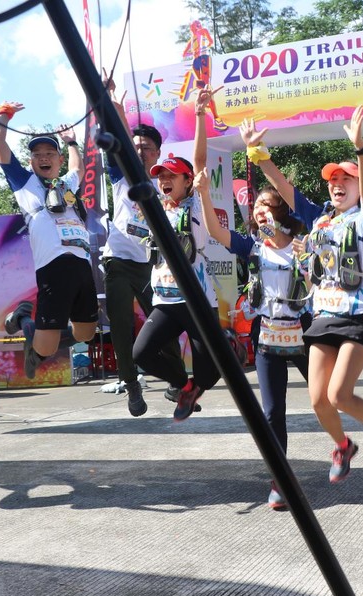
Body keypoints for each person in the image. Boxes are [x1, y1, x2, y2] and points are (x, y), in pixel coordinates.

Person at [241, 108, 363, 482]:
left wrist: (361, 148)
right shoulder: (318, 219)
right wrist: (258, 154)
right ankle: (343, 445)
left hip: (357, 314)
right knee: (318, 400)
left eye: (345, 178)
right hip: (319, 318)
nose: (337, 183)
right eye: (333, 179)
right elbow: (283, 190)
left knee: (339, 395)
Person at [200, 178, 309, 509]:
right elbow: (216, 232)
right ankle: (280, 480)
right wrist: (203, 193)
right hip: (267, 334)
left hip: (304, 331)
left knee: (329, 397)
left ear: (283, 211)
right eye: (257, 206)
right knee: (272, 412)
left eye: (267, 204)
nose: (260, 210)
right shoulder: (253, 246)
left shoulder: (304, 245)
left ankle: (347, 444)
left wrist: (311, 258)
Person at [131, 86, 220, 422]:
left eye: (172, 176)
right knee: (141, 353)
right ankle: (185, 387)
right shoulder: (155, 207)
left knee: (211, 372)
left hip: (197, 301)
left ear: (187, 181)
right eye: (161, 176)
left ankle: (214, 361)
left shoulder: (196, 204)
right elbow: (135, 165)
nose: (165, 180)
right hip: (166, 301)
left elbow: (200, 162)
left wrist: (199, 114)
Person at [0, 103, 96, 380]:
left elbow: (78, 168)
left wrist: (72, 142)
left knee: (86, 333)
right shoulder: (25, 184)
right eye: (37, 155)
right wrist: (4, 114)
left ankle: (34, 333)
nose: (43, 158)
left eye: (49, 153)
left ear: (59, 160)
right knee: (47, 348)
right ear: (31, 162)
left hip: (82, 264)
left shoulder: (67, 185)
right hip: (53, 266)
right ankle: (24, 322)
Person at [101, 79, 184, 415]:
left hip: (153, 265)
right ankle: (131, 383)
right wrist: (114, 105)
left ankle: (177, 381)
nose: (139, 151)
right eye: (135, 146)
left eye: (146, 147)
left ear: (158, 153)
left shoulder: (165, 184)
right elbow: (120, 142)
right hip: (119, 261)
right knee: (121, 326)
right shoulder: (121, 175)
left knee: (164, 323)